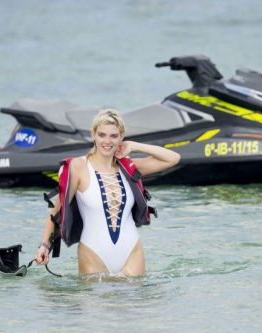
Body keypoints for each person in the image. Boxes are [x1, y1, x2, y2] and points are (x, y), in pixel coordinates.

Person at [35, 109, 180, 277]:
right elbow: (56, 210)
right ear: (93, 135)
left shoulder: (128, 167)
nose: (107, 141)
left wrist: (134, 146)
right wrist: (44, 245)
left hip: (132, 252)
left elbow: (173, 158)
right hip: (92, 253)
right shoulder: (78, 167)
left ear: (121, 137)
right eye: (102, 135)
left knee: (138, 303)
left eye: (113, 136)